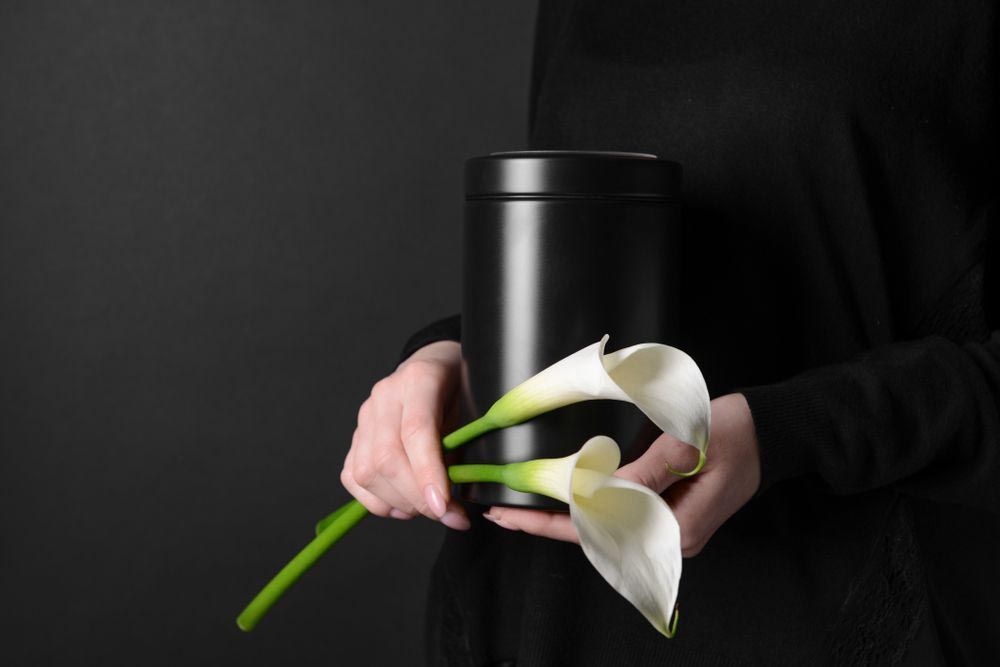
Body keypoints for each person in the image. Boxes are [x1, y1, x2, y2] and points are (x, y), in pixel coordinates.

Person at [341, 2, 999, 664]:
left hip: (839, 613)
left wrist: (785, 432)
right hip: (542, 614)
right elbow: (583, 251)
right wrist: (454, 356)